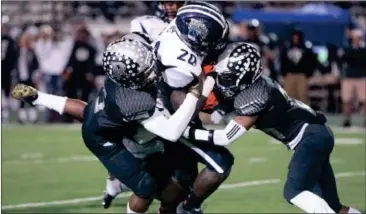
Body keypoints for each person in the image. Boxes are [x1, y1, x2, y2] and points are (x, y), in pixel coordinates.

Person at [12, 35, 202, 214]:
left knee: (88, 112)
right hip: (103, 139)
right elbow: (171, 132)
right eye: (145, 68)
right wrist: (193, 96)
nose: (151, 68)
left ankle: (38, 97)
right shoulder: (134, 102)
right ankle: (121, 183)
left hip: (101, 114)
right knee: (145, 186)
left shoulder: (119, 76)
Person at [182, 42, 362, 214]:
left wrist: (188, 132)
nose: (223, 81)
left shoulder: (255, 97)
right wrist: (220, 108)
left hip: (310, 137)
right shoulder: (258, 84)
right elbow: (230, 102)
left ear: (243, 74)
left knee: (294, 191)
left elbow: (225, 138)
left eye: (227, 77)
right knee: (333, 205)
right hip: (317, 133)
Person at [154, 2, 234, 213]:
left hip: (168, 105)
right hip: (169, 116)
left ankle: (171, 209)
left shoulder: (178, 26)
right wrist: (208, 84)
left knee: (184, 174)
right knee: (220, 162)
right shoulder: (181, 64)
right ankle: (189, 208)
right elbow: (183, 106)